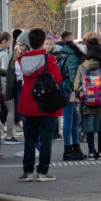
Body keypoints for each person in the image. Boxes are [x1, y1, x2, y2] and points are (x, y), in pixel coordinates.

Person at [17, 28, 63, 182]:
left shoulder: (22, 59)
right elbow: (58, 78)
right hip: (46, 101)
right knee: (46, 138)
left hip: (28, 99)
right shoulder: (48, 58)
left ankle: (27, 171)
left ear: (29, 42)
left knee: (29, 137)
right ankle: (43, 172)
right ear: (44, 42)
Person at [72, 40, 101, 159]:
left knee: (89, 128)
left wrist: (80, 95)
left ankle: (91, 151)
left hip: (87, 103)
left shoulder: (81, 67)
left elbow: (76, 86)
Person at [54, 32, 84, 161]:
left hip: (64, 88)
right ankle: (68, 150)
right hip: (68, 90)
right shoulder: (73, 57)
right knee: (68, 120)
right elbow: (73, 79)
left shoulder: (63, 54)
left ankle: (75, 148)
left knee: (75, 118)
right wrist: (76, 92)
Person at [0, 32, 18, 144]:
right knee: (11, 108)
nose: (9, 45)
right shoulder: (3, 54)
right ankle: (9, 135)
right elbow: (5, 71)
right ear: (4, 41)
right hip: (3, 84)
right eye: (9, 42)